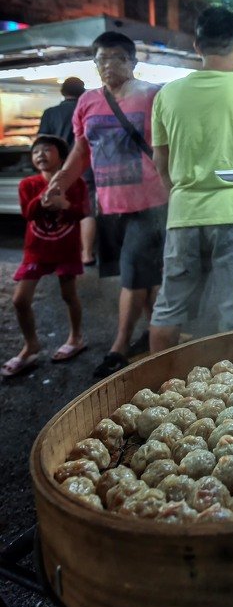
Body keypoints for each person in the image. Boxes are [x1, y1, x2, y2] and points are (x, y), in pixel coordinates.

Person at [47, 31, 168, 378]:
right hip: (109, 206)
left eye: (117, 57)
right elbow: (82, 151)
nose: (108, 65)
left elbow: (169, 147)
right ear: (94, 64)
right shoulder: (87, 102)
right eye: (101, 58)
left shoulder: (153, 96)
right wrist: (60, 182)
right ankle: (153, 333)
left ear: (133, 62)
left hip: (150, 202)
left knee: (132, 275)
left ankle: (119, 346)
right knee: (140, 275)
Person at [149, 7, 233, 352]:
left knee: (169, 305)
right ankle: (229, 392)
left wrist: (181, 194)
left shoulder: (166, 94)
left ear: (197, 46)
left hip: (184, 212)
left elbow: (161, 162)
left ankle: (157, 386)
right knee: (232, 307)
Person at [2, 135, 88, 378]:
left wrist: (65, 205)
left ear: (62, 157)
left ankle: (76, 337)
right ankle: (31, 345)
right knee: (20, 300)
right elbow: (28, 214)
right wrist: (43, 199)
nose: (40, 154)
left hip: (66, 249)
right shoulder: (27, 184)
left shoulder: (76, 183)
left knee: (69, 295)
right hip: (36, 251)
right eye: (36, 151)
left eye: (47, 150)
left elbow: (82, 212)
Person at [38, 77, 97, 266]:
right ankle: (87, 254)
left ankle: (58, 253)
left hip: (58, 168)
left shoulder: (50, 113)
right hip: (86, 167)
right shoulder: (88, 110)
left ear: (63, 92)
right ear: (83, 92)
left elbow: (42, 142)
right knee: (86, 210)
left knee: (56, 207)